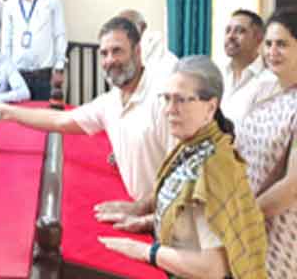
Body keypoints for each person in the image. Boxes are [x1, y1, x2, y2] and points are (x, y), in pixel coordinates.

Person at [97, 56, 267, 279]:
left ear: (210, 107)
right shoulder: (192, 147)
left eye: (180, 100)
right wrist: (146, 222)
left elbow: (213, 267)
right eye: (166, 98)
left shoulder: (213, 168)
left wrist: (145, 251)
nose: (169, 110)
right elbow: (189, 220)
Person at [0, 16, 173, 200]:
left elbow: (182, 172)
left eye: (117, 51)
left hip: (167, 213)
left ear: (137, 52)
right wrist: (8, 112)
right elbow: (60, 120)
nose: (110, 60)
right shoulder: (111, 102)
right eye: (104, 53)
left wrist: (143, 209)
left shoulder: (163, 99)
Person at [234, 9, 297, 278]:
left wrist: (243, 218)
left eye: (282, 44)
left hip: (282, 231)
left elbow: (292, 187)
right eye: (268, 44)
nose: (272, 52)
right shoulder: (267, 92)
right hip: (250, 222)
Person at [1, 0, 67, 100]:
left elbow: (60, 34)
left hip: (44, 75)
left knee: (44, 113)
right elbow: (6, 42)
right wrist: (6, 72)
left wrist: (59, 68)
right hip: (17, 75)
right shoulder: (9, 4)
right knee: (17, 114)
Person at [219, 9, 277, 126]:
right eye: (228, 31)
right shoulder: (217, 75)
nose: (231, 36)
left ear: (259, 38)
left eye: (240, 31)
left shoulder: (271, 81)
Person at [118, 9, 177, 74]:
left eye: (127, 26)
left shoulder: (166, 59)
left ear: (143, 27)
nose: (122, 31)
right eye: (118, 27)